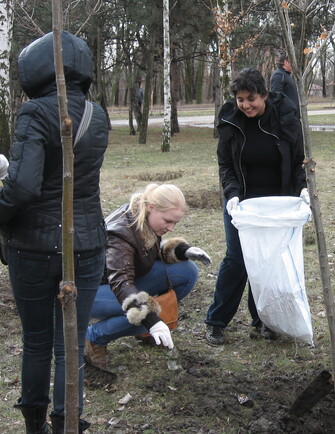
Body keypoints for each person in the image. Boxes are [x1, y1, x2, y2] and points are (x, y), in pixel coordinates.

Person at [0, 31, 108, 433]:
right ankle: (67, 425)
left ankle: (35, 426)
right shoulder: (98, 113)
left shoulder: (34, 113)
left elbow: (23, 187)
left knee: (38, 342)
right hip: (88, 244)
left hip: (34, 246)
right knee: (71, 346)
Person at [205, 67, 309, 345]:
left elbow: (299, 158)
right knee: (237, 259)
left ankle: (263, 319)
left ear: (264, 94)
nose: (246, 105)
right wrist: (232, 194)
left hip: (277, 203)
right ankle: (216, 321)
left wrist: (302, 189)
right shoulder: (230, 118)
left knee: (268, 261)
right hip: (242, 203)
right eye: (240, 99)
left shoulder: (284, 114)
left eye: (251, 98)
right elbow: (225, 163)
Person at [85, 183, 211, 373]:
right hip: (91, 290)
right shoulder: (120, 233)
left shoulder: (144, 217)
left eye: (175, 223)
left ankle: (141, 329)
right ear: (151, 207)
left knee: (187, 272)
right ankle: (94, 337)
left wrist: (183, 250)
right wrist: (152, 321)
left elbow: (145, 253)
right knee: (139, 312)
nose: (171, 228)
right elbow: (121, 282)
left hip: (121, 280)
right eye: (168, 221)